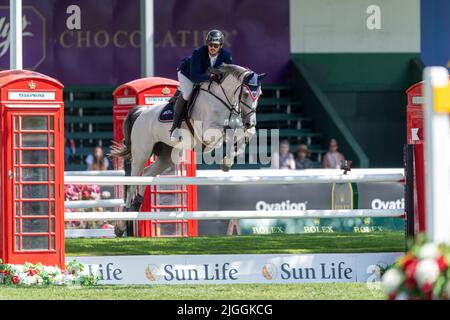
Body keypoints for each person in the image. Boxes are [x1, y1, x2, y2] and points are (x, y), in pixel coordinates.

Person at [170, 29, 233, 139]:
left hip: (205, 76)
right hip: (187, 73)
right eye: (210, 44)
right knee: (188, 94)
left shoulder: (226, 56)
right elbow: (195, 77)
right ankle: (175, 127)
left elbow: (228, 76)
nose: (212, 47)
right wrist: (211, 77)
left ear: (221, 46)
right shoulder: (198, 53)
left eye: (216, 45)